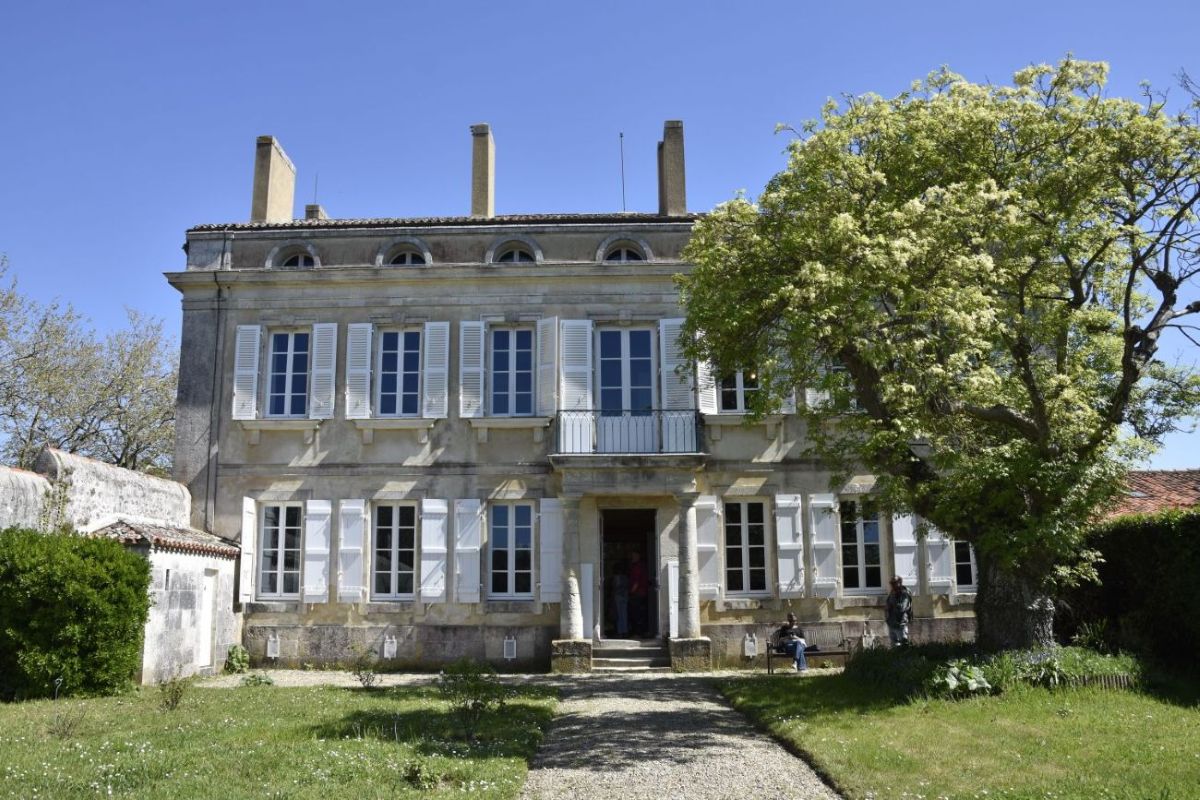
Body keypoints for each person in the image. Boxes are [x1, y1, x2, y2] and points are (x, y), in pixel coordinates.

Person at [886, 575, 913, 646]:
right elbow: (888, 606)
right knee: (894, 645)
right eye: (892, 583)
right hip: (892, 623)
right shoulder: (892, 593)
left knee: (904, 644)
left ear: (900, 583)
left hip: (901, 624)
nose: (893, 585)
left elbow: (902, 608)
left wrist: (893, 599)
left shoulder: (905, 594)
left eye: (894, 583)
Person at [627, 551, 649, 637]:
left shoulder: (637, 567)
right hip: (642, 593)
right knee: (640, 613)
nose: (632, 558)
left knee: (636, 613)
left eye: (633, 556)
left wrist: (631, 592)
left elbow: (636, 582)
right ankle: (640, 632)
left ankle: (637, 633)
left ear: (637, 557)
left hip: (637, 593)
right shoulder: (641, 566)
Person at [612, 560, 630, 638]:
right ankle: (625, 631)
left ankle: (620, 632)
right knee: (624, 614)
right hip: (625, 596)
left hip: (618, 596)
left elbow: (615, 587)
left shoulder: (616, 577)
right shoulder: (626, 577)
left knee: (619, 615)